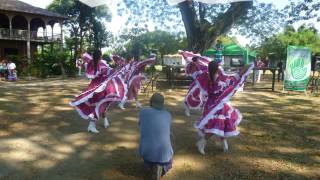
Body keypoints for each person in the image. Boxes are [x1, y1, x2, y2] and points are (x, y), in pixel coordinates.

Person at [194, 61, 253, 154]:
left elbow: (233, 78)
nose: (220, 67)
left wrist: (246, 68)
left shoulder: (208, 76)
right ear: (217, 68)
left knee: (223, 124)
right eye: (219, 66)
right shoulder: (217, 79)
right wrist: (246, 68)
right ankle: (201, 142)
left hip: (217, 104)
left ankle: (224, 142)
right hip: (215, 106)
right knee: (215, 125)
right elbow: (233, 79)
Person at [70, 50, 127, 134]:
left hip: (93, 87)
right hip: (101, 88)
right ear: (100, 56)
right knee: (101, 105)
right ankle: (91, 125)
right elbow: (110, 72)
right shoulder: (101, 64)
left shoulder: (91, 62)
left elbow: (86, 57)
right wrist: (119, 69)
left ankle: (105, 121)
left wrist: (83, 53)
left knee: (102, 105)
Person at [139, 93, 173, 179]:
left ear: (150, 102)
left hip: (147, 153)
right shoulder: (168, 114)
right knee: (170, 136)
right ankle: (161, 167)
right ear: (162, 104)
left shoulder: (143, 112)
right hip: (164, 156)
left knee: (147, 143)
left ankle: (150, 166)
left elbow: (140, 125)